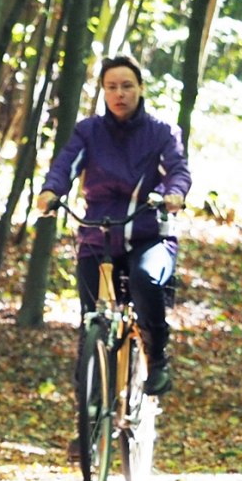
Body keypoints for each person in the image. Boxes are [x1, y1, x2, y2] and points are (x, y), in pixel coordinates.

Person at [36, 54, 191, 397]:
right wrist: (50, 192)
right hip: (99, 236)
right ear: (103, 92)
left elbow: (178, 171)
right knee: (92, 320)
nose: (119, 93)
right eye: (111, 87)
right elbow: (65, 165)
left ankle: (157, 356)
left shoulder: (162, 133)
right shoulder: (88, 131)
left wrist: (174, 194)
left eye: (127, 86)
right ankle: (89, 423)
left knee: (145, 279)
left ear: (140, 88)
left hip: (148, 235)